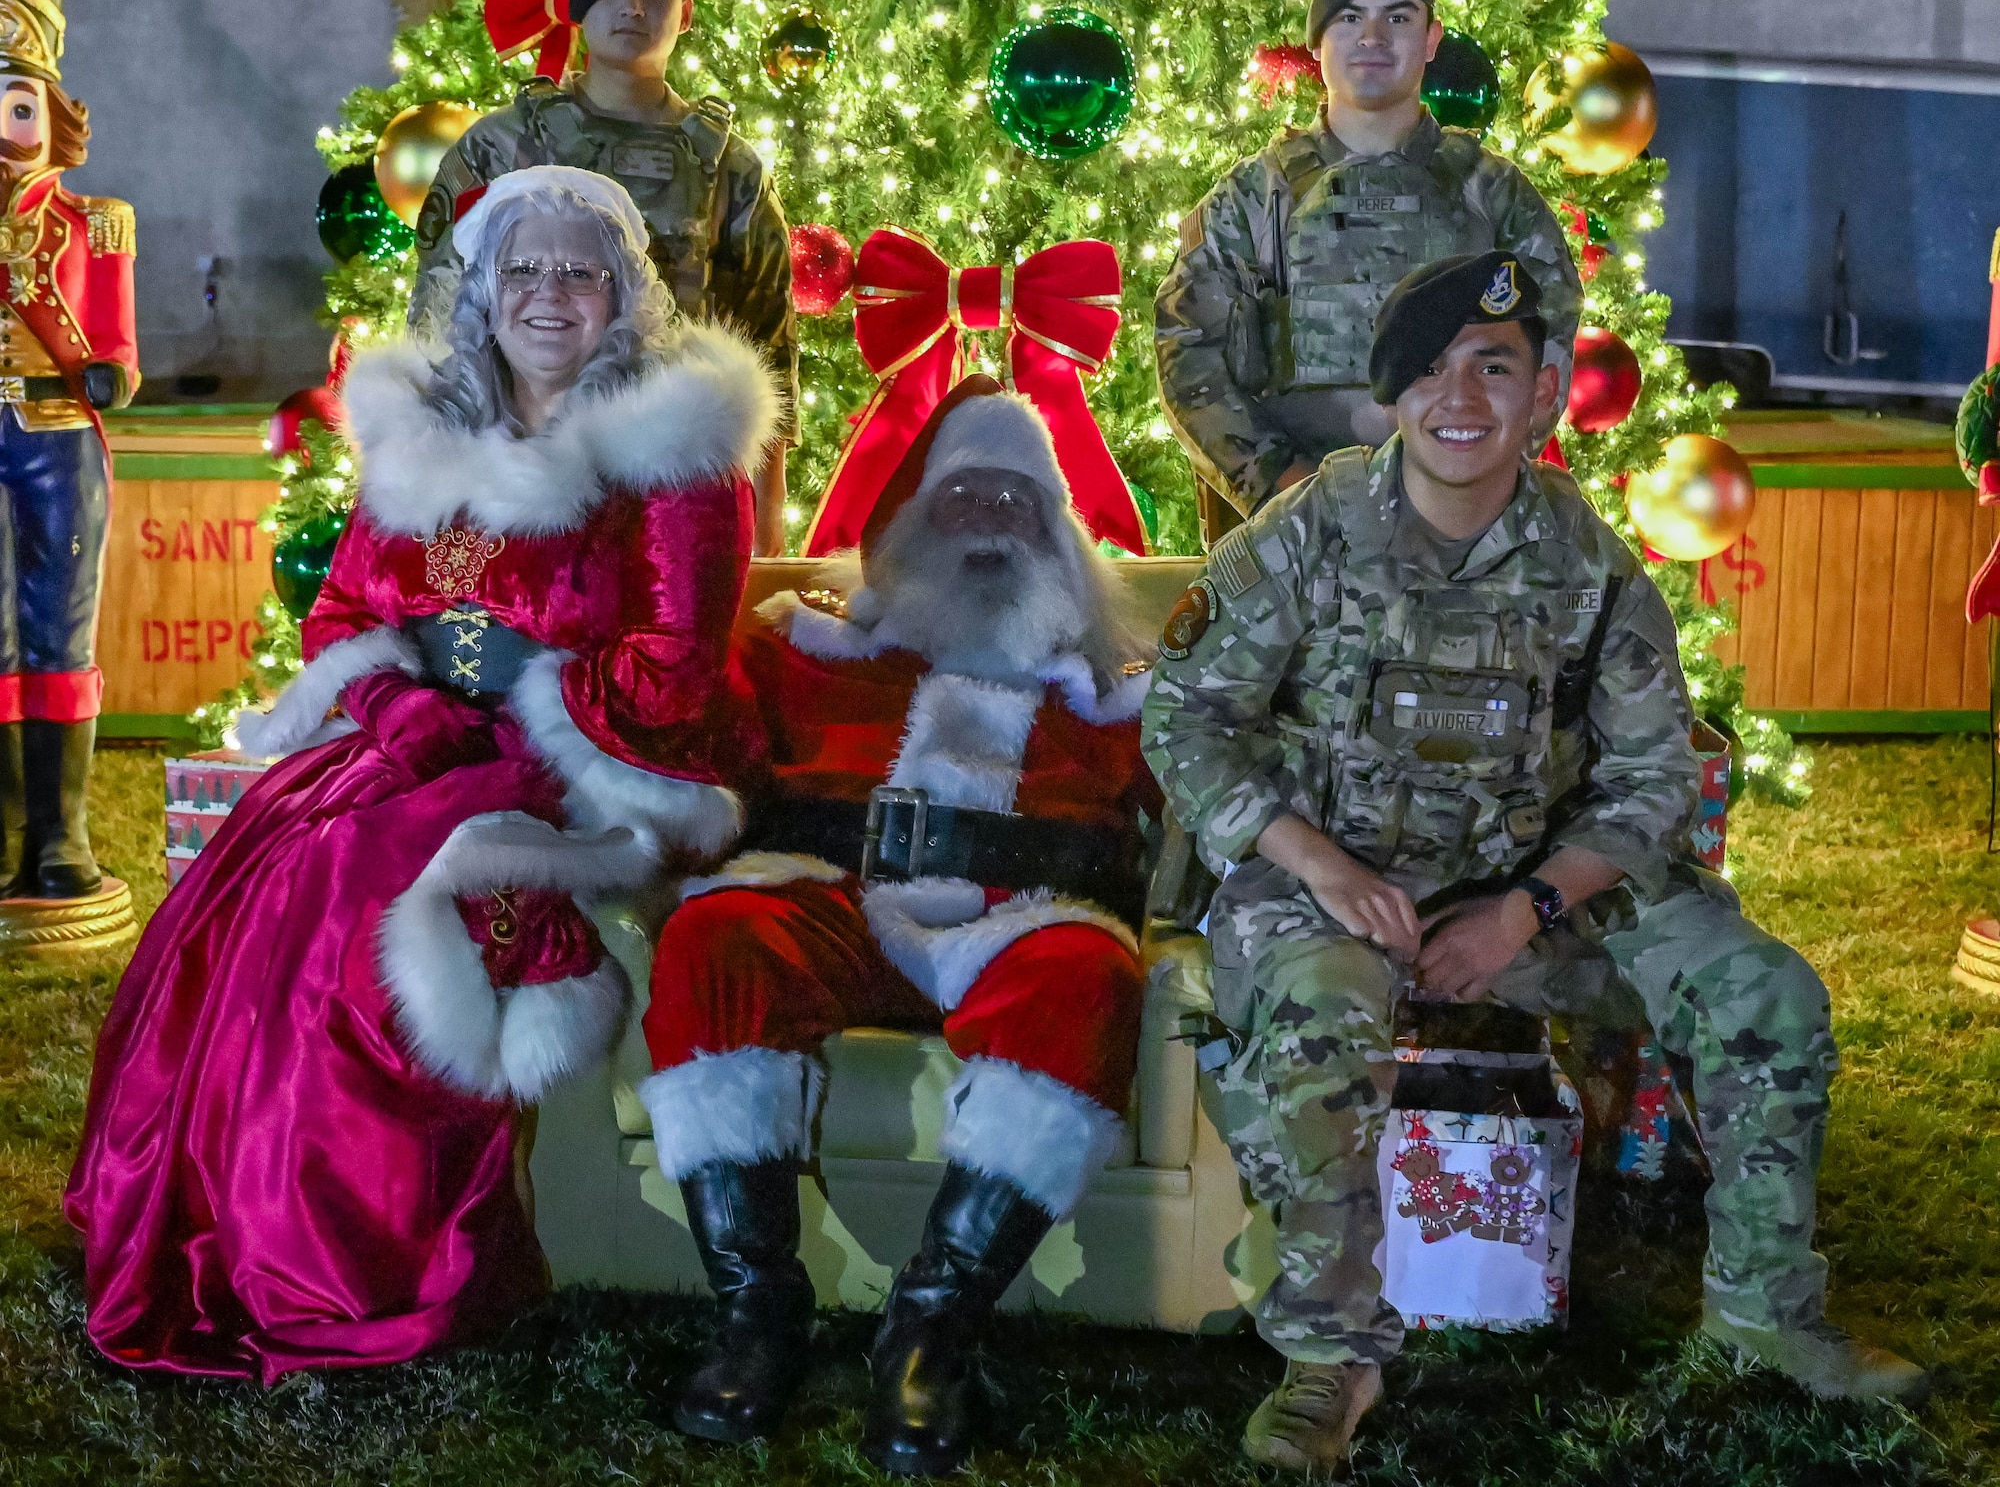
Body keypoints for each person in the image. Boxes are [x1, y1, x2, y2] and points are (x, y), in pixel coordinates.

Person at [1142, 252, 1924, 1473]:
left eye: (1493, 366)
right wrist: (1312, 861)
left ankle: (1763, 1317)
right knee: (1315, 1015)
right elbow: (1184, 714)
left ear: (1546, 389)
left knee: (1762, 990)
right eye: (1431, 369)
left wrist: (1526, 906)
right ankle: (1332, 1358)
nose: (1460, 395)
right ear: (1390, 396)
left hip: (1533, 892)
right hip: (1333, 880)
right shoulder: (1308, 534)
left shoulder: (1589, 568)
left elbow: (1653, 776)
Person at [64, 167, 780, 1383]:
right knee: (262, 864)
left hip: (592, 766)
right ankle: (219, 1232)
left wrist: (518, 680)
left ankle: (353, 1271)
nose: (548, 295)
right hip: (417, 743)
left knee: (360, 885)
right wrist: (398, 699)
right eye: (523, 270)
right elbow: (345, 605)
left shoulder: (671, 461)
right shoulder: (426, 431)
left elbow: (672, 677)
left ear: (624, 295)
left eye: (579, 272)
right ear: (481, 292)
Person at [638, 376, 1158, 1476]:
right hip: (831, 898)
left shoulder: (1121, 695)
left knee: (1087, 977)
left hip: (1021, 919)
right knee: (714, 938)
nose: (988, 521)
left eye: (1016, 501)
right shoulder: (803, 647)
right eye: (962, 494)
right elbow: (681, 719)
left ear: (1059, 534)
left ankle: (929, 1329)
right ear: (911, 515)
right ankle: (756, 1316)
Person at [1154, 0, 1580, 545]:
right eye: (1351, 17)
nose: (1373, 38)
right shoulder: (1250, 199)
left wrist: (1461, 483)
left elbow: (1546, 353)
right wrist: (1285, 489)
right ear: (1318, 42)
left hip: (1456, 539)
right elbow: (1189, 355)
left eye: (1398, 17)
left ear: (1432, 39)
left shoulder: (1496, 197)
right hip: (1289, 540)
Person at [408, 0, 797, 555]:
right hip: (519, 487)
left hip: (674, 494)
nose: (632, 7)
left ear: (687, 13)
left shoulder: (730, 166)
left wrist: (764, 533)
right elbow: (436, 329)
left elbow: (767, 354)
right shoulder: (502, 147)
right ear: (578, 5)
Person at [0, 0, 137, 898]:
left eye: (15, 105)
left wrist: (111, 378)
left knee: (61, 628)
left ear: (50, 111)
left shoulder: (95, 223)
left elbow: (120, 346)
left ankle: (60, 835)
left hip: (55, 438)